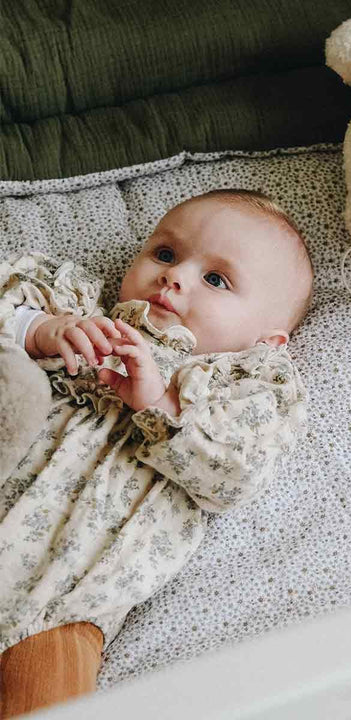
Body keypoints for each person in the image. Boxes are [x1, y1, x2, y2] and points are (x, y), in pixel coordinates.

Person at [0, 188, 312, 718]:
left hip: (65, 605)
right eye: (166, 254)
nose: (176, 277)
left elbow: (233, 479)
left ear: (268, 341)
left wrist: (160, 404)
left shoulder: (241, 390)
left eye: (217, 279)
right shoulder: (80, 312)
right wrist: (42, 332)